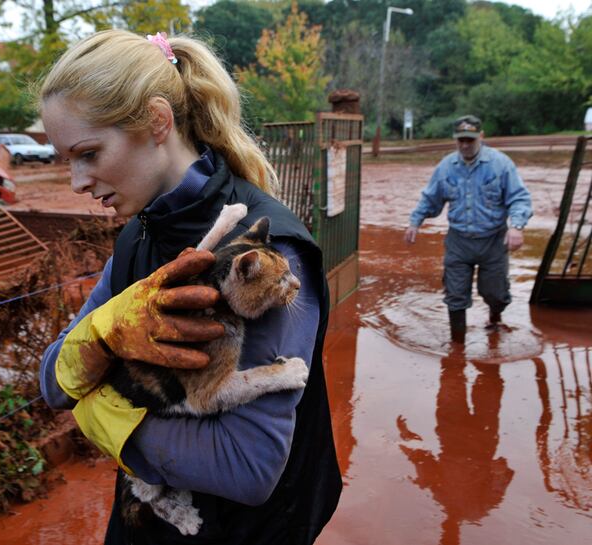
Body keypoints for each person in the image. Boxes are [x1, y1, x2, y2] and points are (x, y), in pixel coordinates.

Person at [38, 29, 341, 544]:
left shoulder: (271, 254)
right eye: (67, 158)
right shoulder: (138, 234)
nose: (76, 181)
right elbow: (50, 380)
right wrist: (102, 336)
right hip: (148, 523)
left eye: (88, 152)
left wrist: (101, 415)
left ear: (158, 121)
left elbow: (248, 468)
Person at [404, 115, 533, 342]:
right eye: (460, 140)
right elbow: (430, 199)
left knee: (496, 293)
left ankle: (495, 316)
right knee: (455, 296)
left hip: (493, 239)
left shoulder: (500, 164)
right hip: (458, 241)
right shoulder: (446, 167)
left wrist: (517, 227)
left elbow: (519, 198)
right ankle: (457, 347)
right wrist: (415, 221)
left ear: (481, 137)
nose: (465, 145)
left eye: (470, 140)